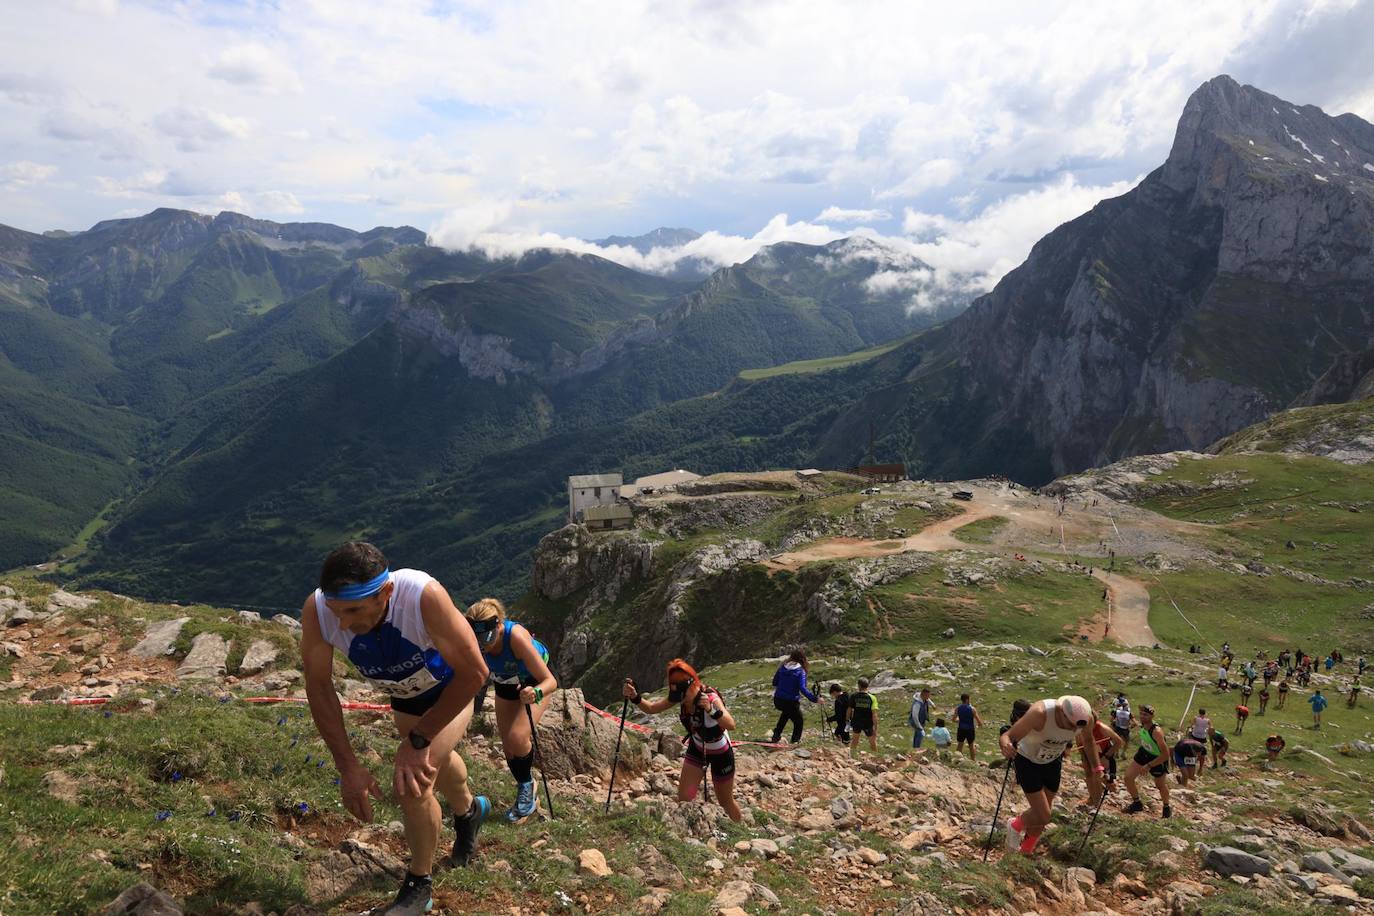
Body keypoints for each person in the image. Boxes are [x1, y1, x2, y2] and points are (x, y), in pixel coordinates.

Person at [300, 542, 491, 916]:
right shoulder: (318, 611)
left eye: (354, 611)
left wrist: (419, 739)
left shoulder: (422, 596)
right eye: (337, 612)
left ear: (385, 593)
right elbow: (319, 687)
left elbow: (475, 673)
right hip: (405, 696)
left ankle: (419, 886)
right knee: (439, 761)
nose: (343, 625)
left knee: (413, 780)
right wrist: (347, 768)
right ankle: (469, 810)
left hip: (453, 690)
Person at [465, 598, 558, 823]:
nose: (483, 645)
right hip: (505, 683)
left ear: (499, 625)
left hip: (534, 680)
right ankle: (526, 786)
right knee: (508, 747)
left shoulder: (515, 637)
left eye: (487, 638)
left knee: (518, 737)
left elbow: (550, 681)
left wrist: (535, 693)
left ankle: (527, 792)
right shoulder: (475, 641)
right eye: (478, 639)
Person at [623, 659, 742, 821]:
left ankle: (739, 832)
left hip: (721, 753)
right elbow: (652, 708)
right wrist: (635, 697)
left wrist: (710, 709)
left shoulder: (710, 697)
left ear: (692, 686)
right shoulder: (681, 695)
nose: (682, 701)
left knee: (725, 802)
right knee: (685, 798)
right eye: (678, 697)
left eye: (683, 696)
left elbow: (731, 724)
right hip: (697, 748)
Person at [999, 695, 1100, 855]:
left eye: (1077, 728)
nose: (1074, 731)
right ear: (1062, 713)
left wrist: (1097, 768)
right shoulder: (1040, 713)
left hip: (1053, 761)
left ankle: (1026, 850)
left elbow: (1088, 741)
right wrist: (1006, 746)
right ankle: (1015, 825)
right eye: (1070, 725)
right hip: (1027, 760)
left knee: (1044, 812)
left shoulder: (1085, 720)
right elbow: (1008, 736)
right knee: (1044, 815)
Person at [1124, 704, 1171, 818]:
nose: (1142, 716)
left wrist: (1149, 765)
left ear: (1152, 716)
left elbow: (1166, 754)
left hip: (1157, 758)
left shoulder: (1156, 731)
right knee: (1128, 778)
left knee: (1160, 785)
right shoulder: (1143, 725)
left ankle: (1166, 807)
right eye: (1141, 714)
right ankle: (1137, 803)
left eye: (1145, 714)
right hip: (1143, 753)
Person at [769, 649, 819, 744]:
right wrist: (815, 699)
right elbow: (802, 688)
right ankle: (795, 741)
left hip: (778, 700)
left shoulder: (782, 667)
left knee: (786, 714)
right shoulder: (800, 671)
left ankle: (776, 735)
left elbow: (774, 682)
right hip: (791, 701)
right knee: (798, 721)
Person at [1080, 716, 1124, 805]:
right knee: (1089, 775)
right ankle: (1092, 798)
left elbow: (1119, 742)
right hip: (1090, 754)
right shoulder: (1080, 728)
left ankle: (1097, 801)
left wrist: (1106, 756)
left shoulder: (1102, 728)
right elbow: (1079, 744)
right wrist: (1084, 759)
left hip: (1104, 755)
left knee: (1098, 777)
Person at [848, 677, 879, 756]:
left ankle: (852, 756)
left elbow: (849, 709)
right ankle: (875, 757)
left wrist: (847, 720)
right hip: (868, 723)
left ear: (859, 686)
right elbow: (874, 714)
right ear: (867, 686)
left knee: (855, 740)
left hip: (856, 721)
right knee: (872, 741)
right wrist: (876, 728)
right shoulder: (872, 698)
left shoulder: (853, 696)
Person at [954, 693, 985, 761]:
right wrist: (979, 725)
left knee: (960, 744)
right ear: (967, 699)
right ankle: (973, 760)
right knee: (971, 745)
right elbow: (978, 721)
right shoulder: (972, 709)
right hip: (970, 729)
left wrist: (959, 720)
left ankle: (957, 759)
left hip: (961, 728)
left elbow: (954, 719)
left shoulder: (958, 708)